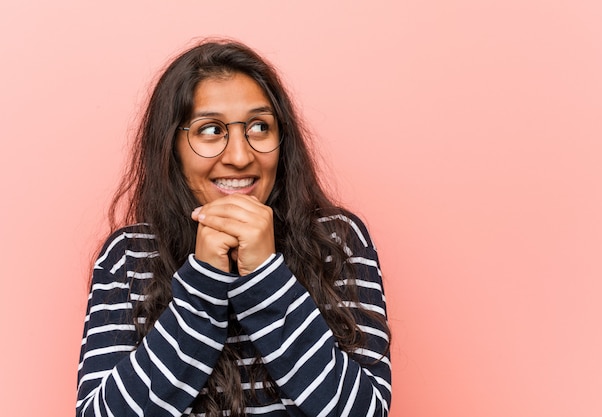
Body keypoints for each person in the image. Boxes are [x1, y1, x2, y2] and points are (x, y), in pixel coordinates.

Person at [76, 39, 391, 417]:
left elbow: (367, 411)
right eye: (210, 130)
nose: (241, 157)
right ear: (171, 146)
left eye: (260, 126)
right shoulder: (129, 256)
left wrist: (265, 274)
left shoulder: (337, 240)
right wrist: (204, 283)